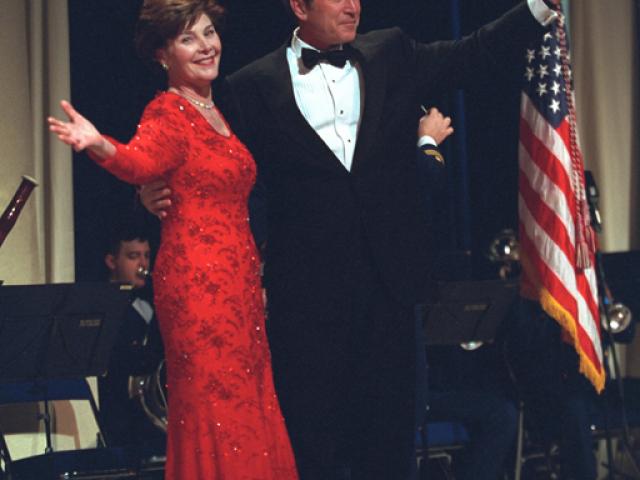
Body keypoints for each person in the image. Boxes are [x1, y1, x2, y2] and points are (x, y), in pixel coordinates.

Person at [141, 0, 560, 478]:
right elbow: (207, 159)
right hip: (306, 308)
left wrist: (537, 9)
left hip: (389, 296)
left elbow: (473, 52)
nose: (352, 5)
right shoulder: (250, 87)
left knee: (389, 450)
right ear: (299, 6)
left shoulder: (392, 52)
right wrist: (149, 191)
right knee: (316, 452)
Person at [48, 1, 299, 478]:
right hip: (199, 287)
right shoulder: (167, 111)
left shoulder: (216, 112)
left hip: (240, 286)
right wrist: (97, 142)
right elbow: (139, 162)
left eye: (209, 33)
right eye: (189, 39)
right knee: (215, 405)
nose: (206, 46)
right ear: (163, 54)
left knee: (248, 399)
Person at [99, 219, 166, 458]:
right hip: (121, 415)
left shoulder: (147, 302)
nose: (143, 264)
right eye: (133, 256)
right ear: (111, 261)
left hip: (148, 408)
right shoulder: (103, 307)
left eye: (147, 256)